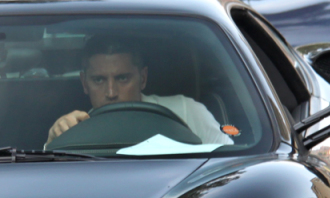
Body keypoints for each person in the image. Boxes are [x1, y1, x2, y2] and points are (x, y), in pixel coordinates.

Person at [46, 37, 234, 147]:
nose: (111, 92)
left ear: (142, 78)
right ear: (84, 83)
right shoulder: (72, 130)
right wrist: (55, 141)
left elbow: (230, 164)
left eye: (122, 78)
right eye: (99, 80)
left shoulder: (186, 110)